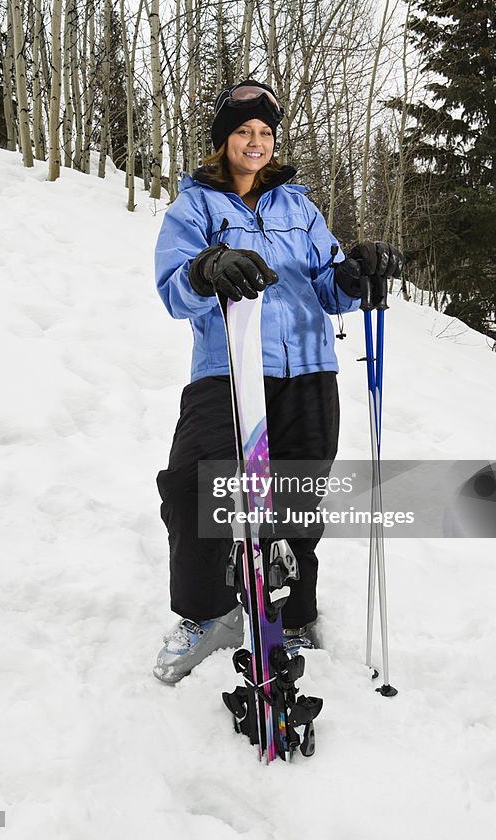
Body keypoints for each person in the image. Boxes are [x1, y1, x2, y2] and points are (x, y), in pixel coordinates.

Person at [153, 80, 403, 683]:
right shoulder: (194, 208)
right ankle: (207, 613)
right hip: (229, 368)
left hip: (310, 368)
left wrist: (355, 271)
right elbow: (173, 294)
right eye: (243, 131)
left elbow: (328, 286)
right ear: (224, 140)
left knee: (295, 499)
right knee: (193, 488)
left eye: (265, 131)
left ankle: (289, 610)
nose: (256, 141)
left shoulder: (300, 207)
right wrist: (207, 267)